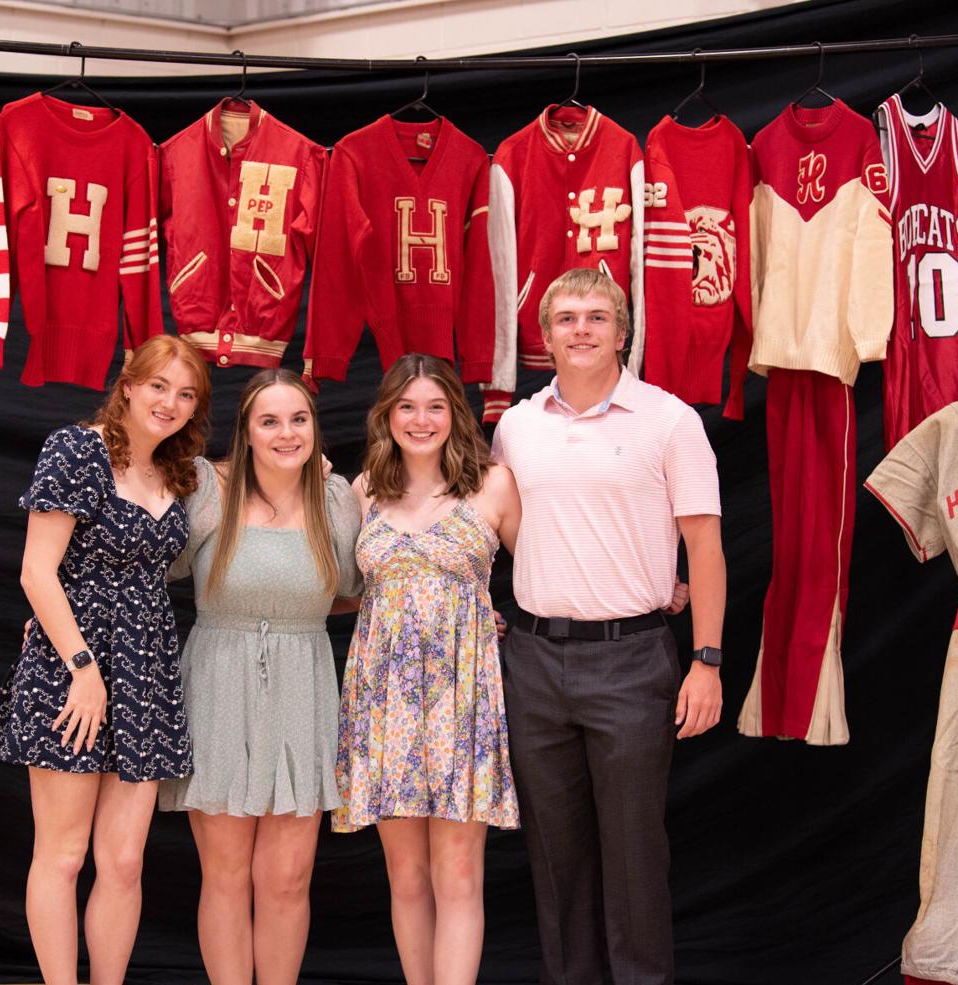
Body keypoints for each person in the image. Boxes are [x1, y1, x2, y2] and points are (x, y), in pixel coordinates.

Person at [493, 267, 725, 985]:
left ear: (624, 332)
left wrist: (707, 659)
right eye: (566, 318)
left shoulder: (668, 420)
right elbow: (509, 529)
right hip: (533, 659)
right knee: (556, 856)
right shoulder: (516, 426)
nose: (582, 329)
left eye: (598, 316)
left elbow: (705, 547)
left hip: (630, 660)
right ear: (546, 337)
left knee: (631, 853)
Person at [0, 334, 211, 985]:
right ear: (130, 384)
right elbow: (37, 570)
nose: (170, 402)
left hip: (146, 670)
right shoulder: (77, 449)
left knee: (123, 862)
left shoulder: (177, 471)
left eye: (186, 392)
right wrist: (84, 669)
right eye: (159, 385)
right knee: (62, 854)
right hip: (74, 665)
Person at [159, 368, 363, 985]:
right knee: (225, 873)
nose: (286, 432)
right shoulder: (206, 488)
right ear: (245, 432)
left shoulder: (335, 501)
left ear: (315, 428)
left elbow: (356, 590)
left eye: (298, 419)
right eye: (269, 420)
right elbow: (147, 567)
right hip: (220, 680)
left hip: (304, 684)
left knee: (286, 877)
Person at [333, 353, 523, 985]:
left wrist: (650, 583)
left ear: (455, 414)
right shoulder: (363, 492)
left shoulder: (493, 484)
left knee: (459, 871)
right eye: (407, 406)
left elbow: (548, 572)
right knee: (406, 873)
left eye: (435, 406)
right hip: (384, 694)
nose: (421, 419)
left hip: (462, 694)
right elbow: (337, 590)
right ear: (386, 415)